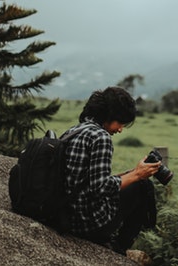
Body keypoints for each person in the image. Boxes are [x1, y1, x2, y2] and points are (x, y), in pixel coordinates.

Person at [61, 86, 160, 253]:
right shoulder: (101, 137)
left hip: (66, 214)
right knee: (143, 186)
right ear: (108, 116)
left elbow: (86, 179)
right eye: (120, 122)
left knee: (134, 179)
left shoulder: (75, 130)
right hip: (87, 224)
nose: (120, 129)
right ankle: (120, 247)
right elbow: (100, 188)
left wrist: (132, 173)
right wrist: (137, 175)